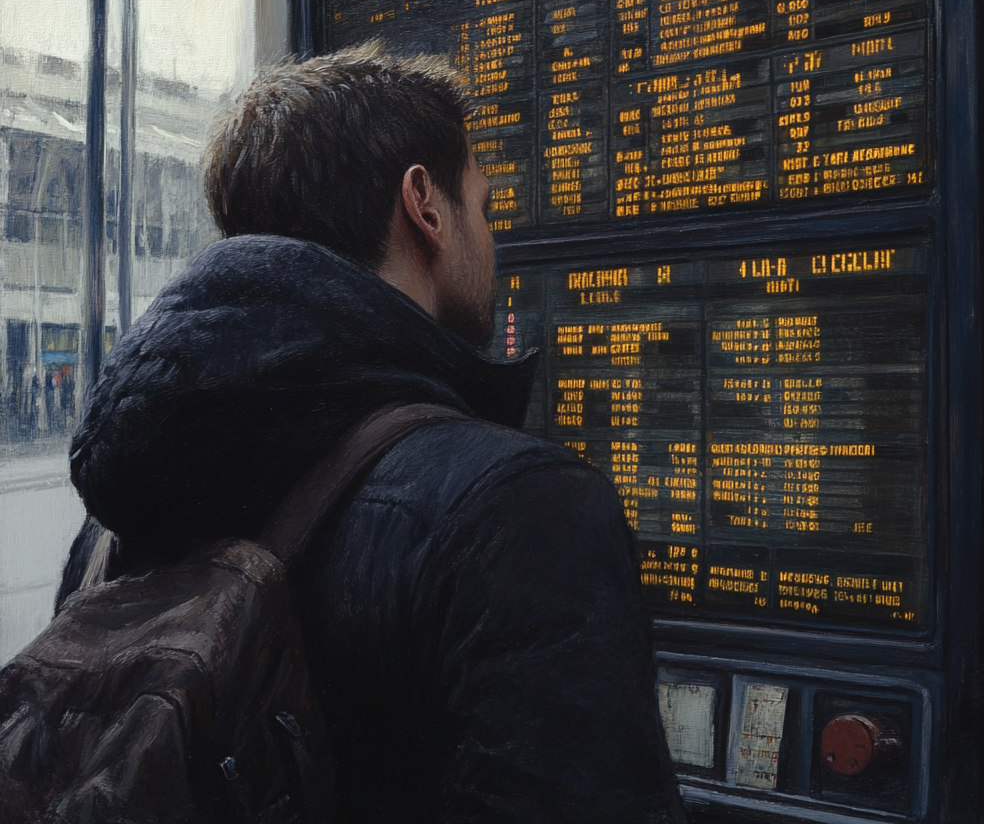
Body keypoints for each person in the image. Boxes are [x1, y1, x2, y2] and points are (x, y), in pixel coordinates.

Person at [58, 42, 684, 823]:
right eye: (483, 208)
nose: (492, 243)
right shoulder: (518, 508)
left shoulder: (116, 515)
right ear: (424, 204)